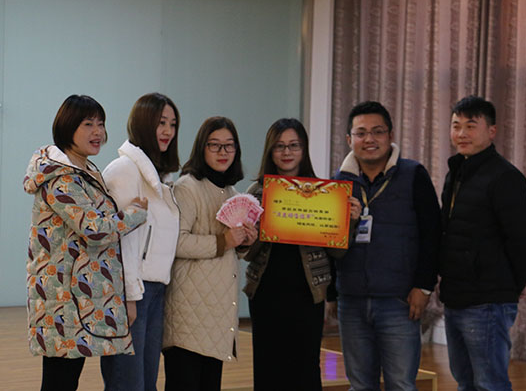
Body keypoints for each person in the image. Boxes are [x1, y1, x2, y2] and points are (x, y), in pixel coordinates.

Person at [23, 94, 148, 391]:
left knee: (65, 380)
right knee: (60, 381)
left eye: (101, 124)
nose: (98, 132)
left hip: (75, 297)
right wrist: (135, 214)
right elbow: (95, 229)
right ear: (68, 127)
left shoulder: (84, 171)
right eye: (88, 124)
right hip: (62, 300)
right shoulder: (60, 178)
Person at [331, 100, 441, 391]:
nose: (369, 139)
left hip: (399, 301)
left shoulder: (414, 174)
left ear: (390, 135)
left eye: (377, 131)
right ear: (349, 139)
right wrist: (332, 293)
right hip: (352, 300)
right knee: (359, 385)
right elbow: (329, 242)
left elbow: (432, 235)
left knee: (401, 384)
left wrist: (424, 287)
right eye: (361, 133)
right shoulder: (338, 182)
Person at [243, 118, 356, 391]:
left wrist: (348, 221)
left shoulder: (325, 193)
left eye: (294, 145)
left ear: (303, 149)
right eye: (279, 146)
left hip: (308, 293)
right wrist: (260, 227)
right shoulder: (256, 192)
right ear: (270, 151)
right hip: (266, 293)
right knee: (268, 368)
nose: (287, 152)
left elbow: (337, 252)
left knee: (305, 369)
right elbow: (246, 253)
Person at [439, 96, 526, 391]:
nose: (462, 133)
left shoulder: (505, 177)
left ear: (491, 131)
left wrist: (510, 287)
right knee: (464, 381)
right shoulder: (456, 172)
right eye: (456, 126)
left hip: (487, 301)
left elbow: (522, 241)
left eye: (471, 126)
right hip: (456, 295)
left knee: (490, 384)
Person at [162, 116, 258, 391]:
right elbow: (176, 243)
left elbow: (230, 249)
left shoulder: (231, 192)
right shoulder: (187, 187)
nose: (222, 152)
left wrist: (244, 242)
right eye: (214, 145)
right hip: (188, 316)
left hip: (216, 317)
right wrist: (224, 240)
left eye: (229, 145)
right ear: (201, 148)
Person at [102, 93, 181, 391]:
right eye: (161, 123)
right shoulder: (124, 170)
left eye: (172, 124)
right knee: (127, 383)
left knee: (147, 382)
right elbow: (120, 241)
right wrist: (130, 296)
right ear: (143, 123)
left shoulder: (160, 176)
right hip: (132, 293)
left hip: (155, 289)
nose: (168, 131)